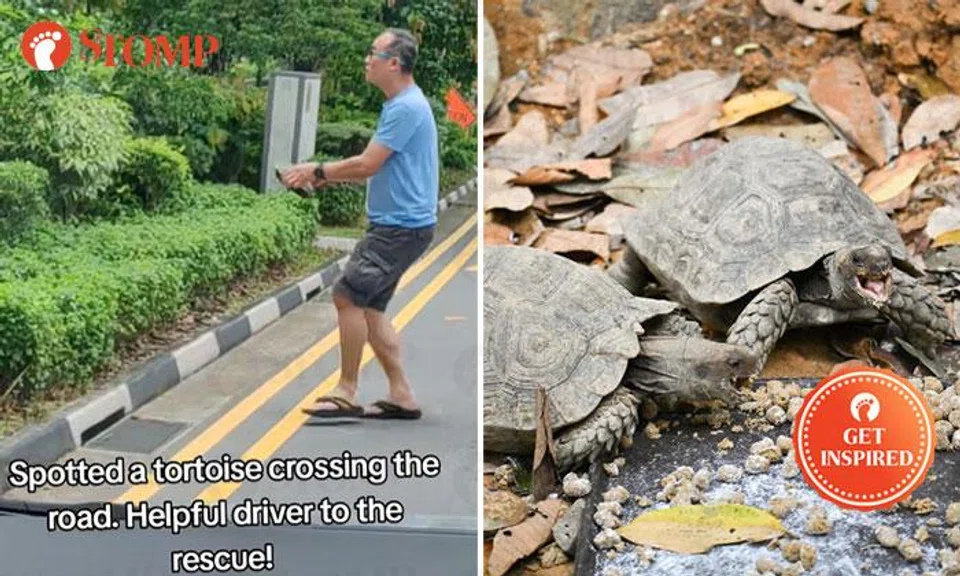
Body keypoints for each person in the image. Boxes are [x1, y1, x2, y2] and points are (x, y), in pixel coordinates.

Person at [278, 28, 438, 420]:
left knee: (347, 295)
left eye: (373, 54)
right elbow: (372, 165)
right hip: (405, 225)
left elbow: (368, 164)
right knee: (369, 308)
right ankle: (401, 394)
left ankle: (347, 389)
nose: (367, 60)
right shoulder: (404, 104)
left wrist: (316, 170)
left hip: (398, 227)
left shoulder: (405, 107)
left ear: (394, 63)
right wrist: (321, 176)